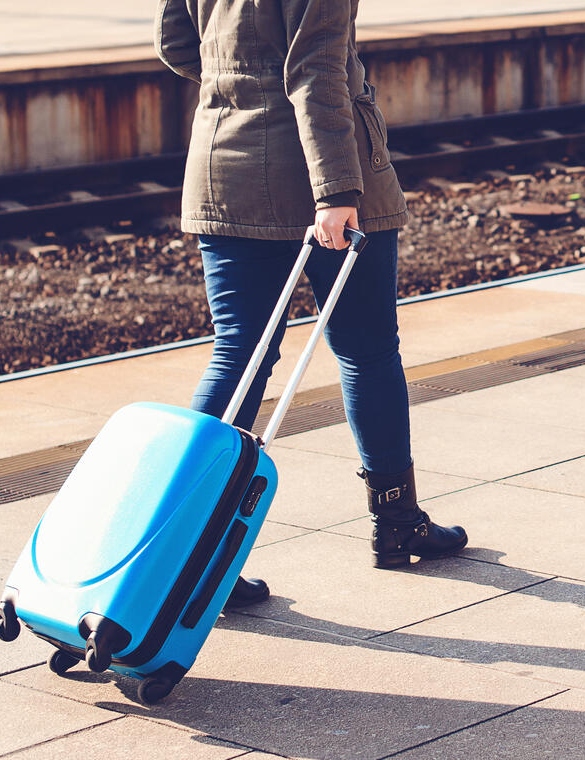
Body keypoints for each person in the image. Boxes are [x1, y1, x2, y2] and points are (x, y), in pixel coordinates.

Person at [154, 0, 467, 607]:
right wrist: (337, 192)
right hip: (323, 175)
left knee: (239, 352)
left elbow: (176, 43)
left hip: (226, 166)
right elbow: (317, 71)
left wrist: (244, 92)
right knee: (367, 350)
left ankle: (187, 554)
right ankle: (397, 521)